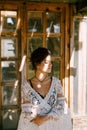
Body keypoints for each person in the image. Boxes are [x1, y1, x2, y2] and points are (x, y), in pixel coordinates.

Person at [17, 47, 73, 130]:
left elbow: (62, 106)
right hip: (34, 126)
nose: (51, 65)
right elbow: (26, 110)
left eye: (51, 62)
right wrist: (36, 118)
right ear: (37, 64)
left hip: (53, 125)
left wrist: (45, 118)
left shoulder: (56, 83)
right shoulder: (26, 85)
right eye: (46, 62)